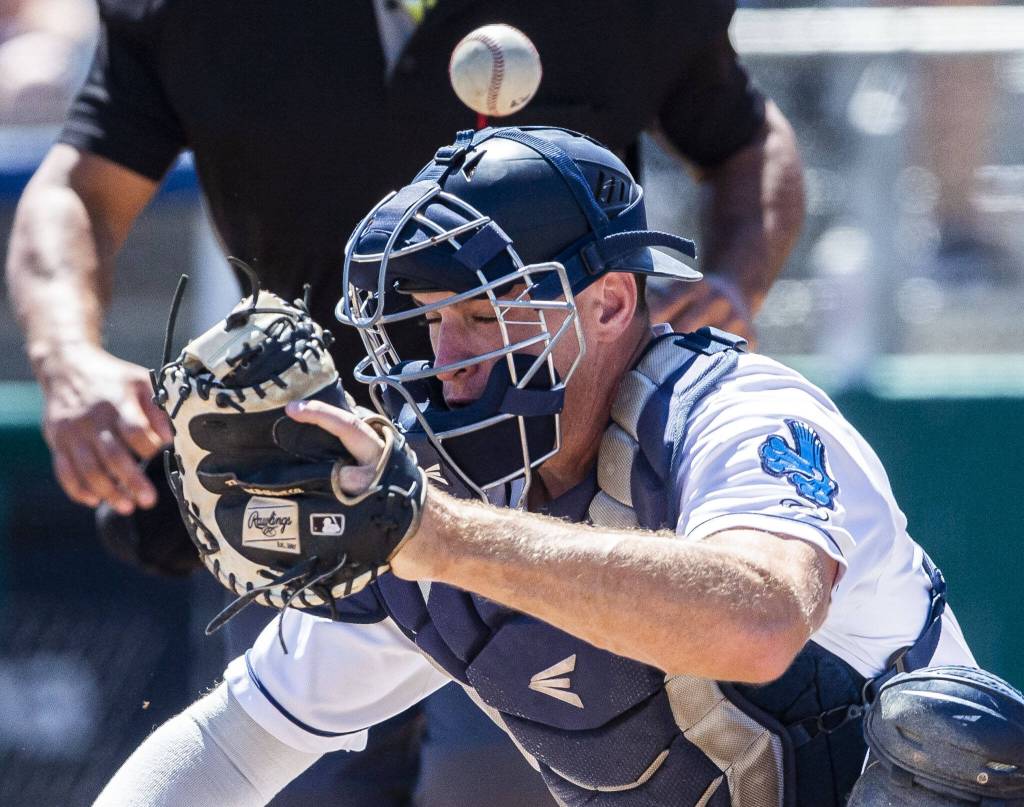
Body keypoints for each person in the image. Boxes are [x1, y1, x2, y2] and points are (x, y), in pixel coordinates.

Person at [5, 2, 802, 804]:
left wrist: (735, 280)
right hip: (320, 483)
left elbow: (748, 140)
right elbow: (77, 187)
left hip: (556, 495)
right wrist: (66, 352)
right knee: (270, 764)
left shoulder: (748, 415)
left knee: (507, 781)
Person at [94, 126, 975, 807]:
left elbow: (763, 621)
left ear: (609, 302)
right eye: (431, 318)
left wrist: (441, 539)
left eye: (482, 313)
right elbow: (233, 744)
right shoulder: (437, 494)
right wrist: (432, 536)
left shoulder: (735, 413)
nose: (447, 356)